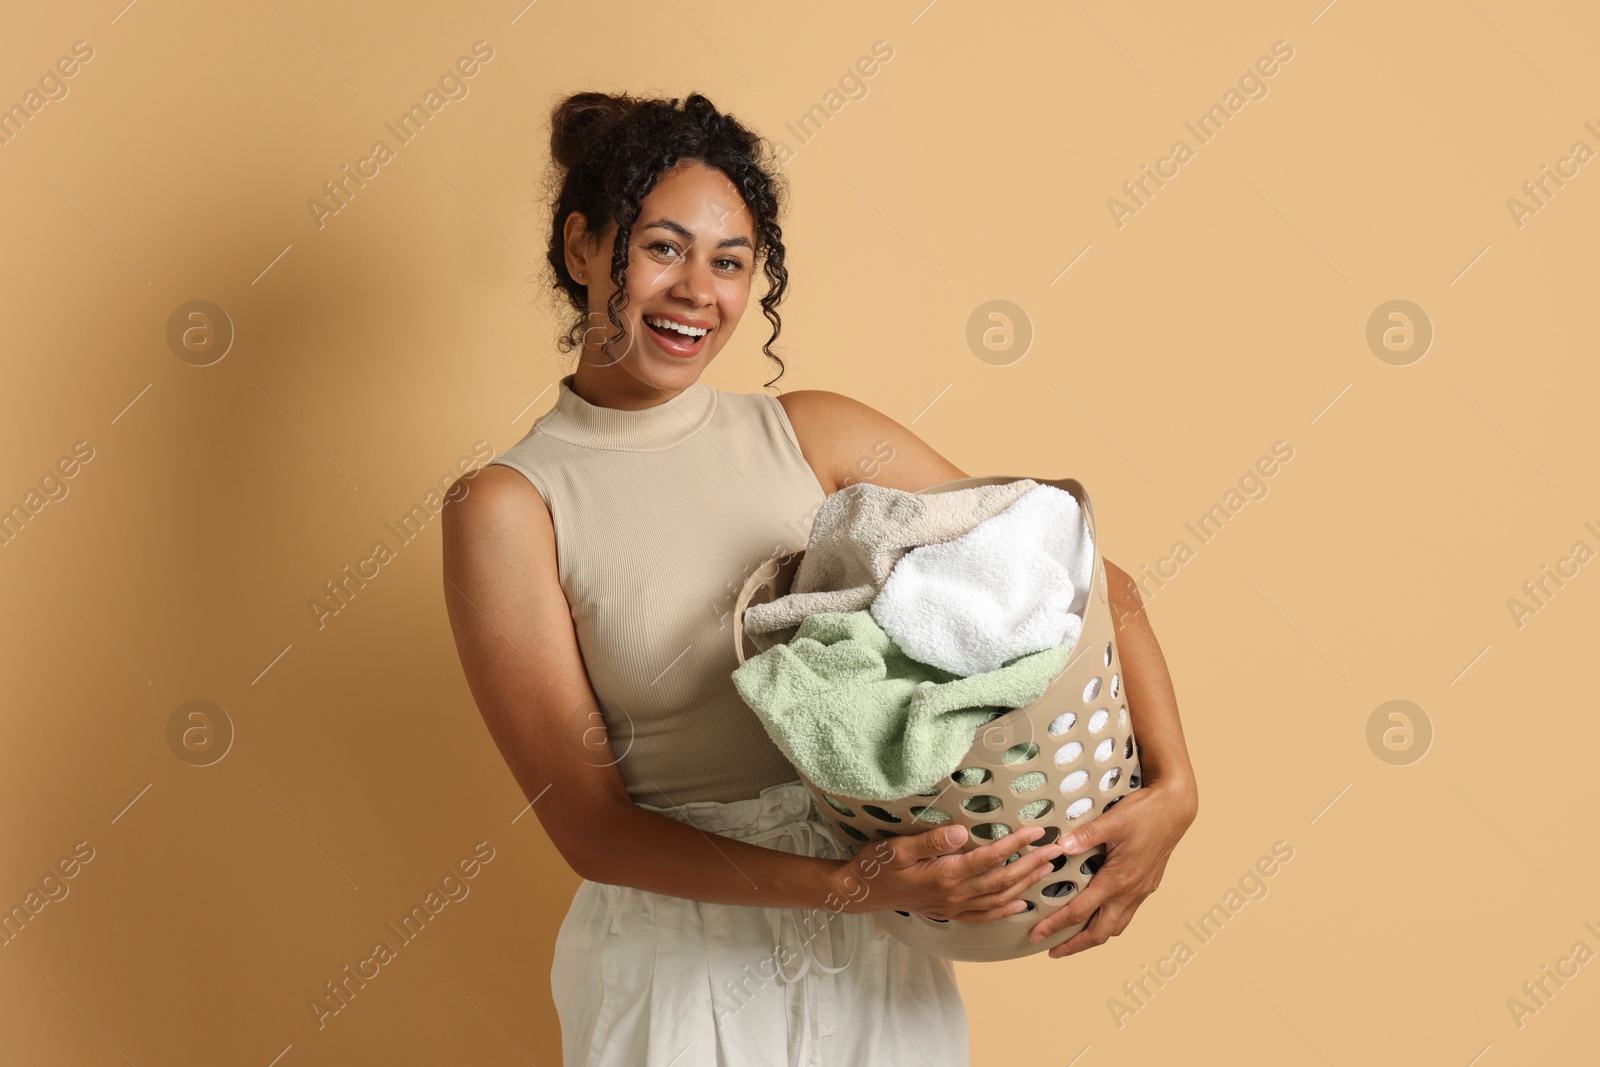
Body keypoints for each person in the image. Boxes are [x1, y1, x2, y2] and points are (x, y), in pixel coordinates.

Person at [442, 90, 1199, 1066]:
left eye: (729, 261)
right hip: (684, 964)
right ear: (583, 247)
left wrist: (1174, 789)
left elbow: (1085, 575)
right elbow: (592, 831)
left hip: (884, 941)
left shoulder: (817, 436)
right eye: (662, 248)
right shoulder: (510, 507)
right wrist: (856, 884)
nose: (696, 291)